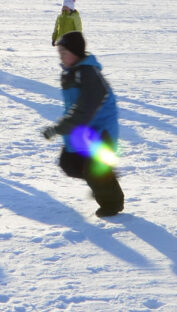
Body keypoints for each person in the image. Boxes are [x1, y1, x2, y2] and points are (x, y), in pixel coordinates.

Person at [43, 30, 124, 217]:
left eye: (64, 53)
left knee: (94, 170)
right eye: (59, 53)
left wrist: (60, 127)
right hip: (83, 130)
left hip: (100, 130)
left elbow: (84, 108)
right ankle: (104, 178)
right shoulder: (72, 73)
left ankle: (113, 204)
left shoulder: (89, 75)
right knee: (69, 164)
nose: (61, 57)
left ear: (76, 52)